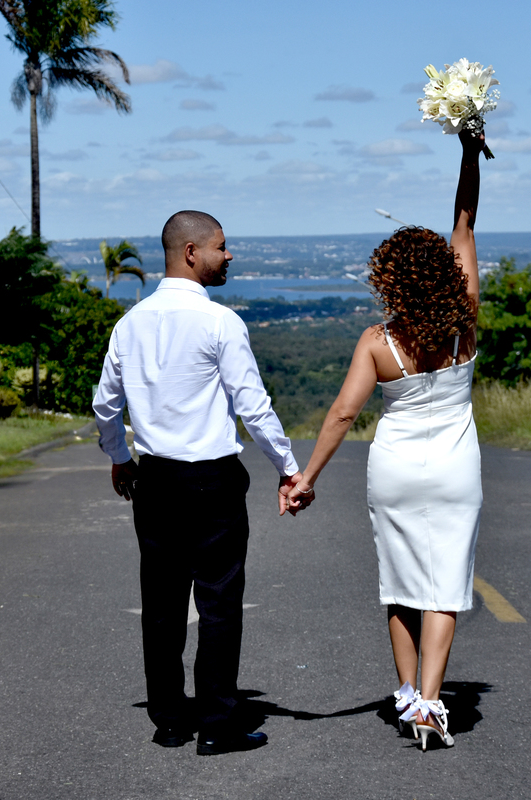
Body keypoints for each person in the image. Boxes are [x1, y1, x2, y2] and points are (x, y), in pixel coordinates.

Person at [286, 131, 484, 750]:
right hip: (456, 470)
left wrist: (306, 478)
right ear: (447, 275)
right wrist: (469, 153)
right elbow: (466, 230)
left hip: (395, 469)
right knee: (444, 587)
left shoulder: (379, 341)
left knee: (400, 583)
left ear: (391, 279)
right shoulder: (465, 323)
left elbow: (344, 415)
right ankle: (429, 701)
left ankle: (406, 694)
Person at [92, 210, 307, 756]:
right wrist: (287, 467)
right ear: (191, 252)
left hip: (156, 479)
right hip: (212, 482)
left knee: (161, 604)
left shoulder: (130, 323)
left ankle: (168, 720)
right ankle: (216, 723)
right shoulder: (221, 323)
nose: (228, 255)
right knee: (218, 603)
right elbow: (252, 408)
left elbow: (105, 405)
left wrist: (120, 457)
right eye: (221, 246)